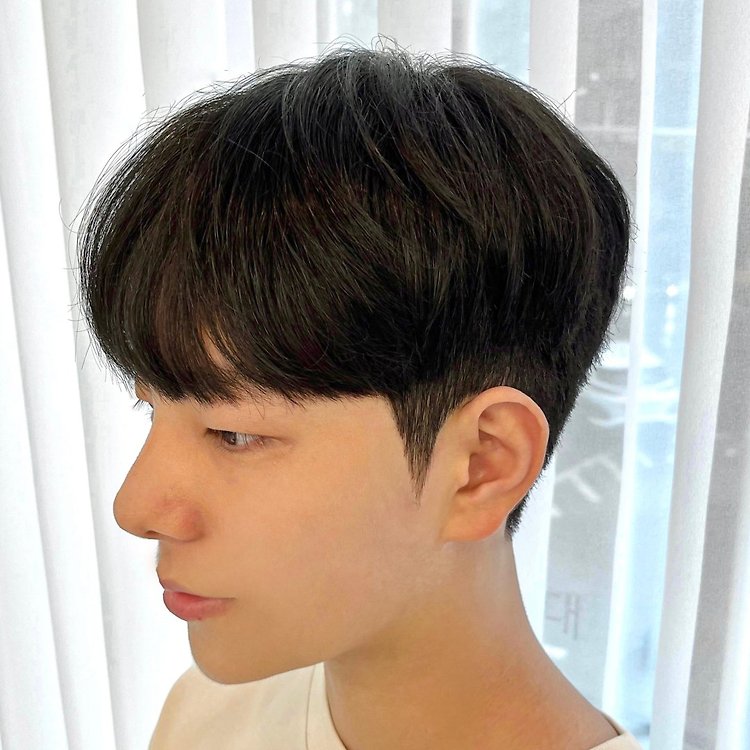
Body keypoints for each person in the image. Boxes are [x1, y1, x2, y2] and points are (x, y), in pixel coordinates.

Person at [76, 40, 642, 749]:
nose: (135, 507)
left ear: (481, 465)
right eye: (152, 409)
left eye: (234, 433)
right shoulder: (207, 717)